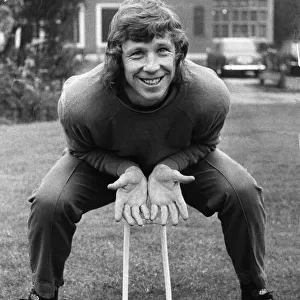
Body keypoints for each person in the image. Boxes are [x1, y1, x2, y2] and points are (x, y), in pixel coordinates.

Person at [21, 0, 275, 299]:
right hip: (102, 162)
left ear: (178, 54)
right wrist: (124, 169)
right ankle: (43, 292)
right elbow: (81, 149)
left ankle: (255, 289)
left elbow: (206, 143)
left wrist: (168, 167)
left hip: (182, 159)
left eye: (162, 51)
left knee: (243, 192)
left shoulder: (210, 93)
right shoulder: (80, 99)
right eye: (137, 53)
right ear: (118, 58)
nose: (152, 66)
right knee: (50, 202)